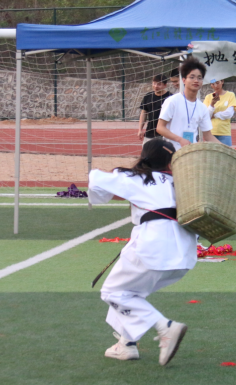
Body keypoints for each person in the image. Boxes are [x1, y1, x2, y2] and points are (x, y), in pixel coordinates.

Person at [88, 138, 195, 366]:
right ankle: (126, 344)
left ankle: (165, 327)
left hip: (153, 246)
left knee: (113, 292)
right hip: (185, 253)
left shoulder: (137, 177)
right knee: (131, 294)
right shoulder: (183, 182)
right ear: (172, 162)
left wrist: (115, 181)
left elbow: (95, 180)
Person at [157, 57, 220, 151]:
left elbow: (208, 135)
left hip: (191, 154)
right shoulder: (172, 101)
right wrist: (180, 140)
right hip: (171, 152)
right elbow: (160, 127)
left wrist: (228, 148)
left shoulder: (202, 107)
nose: (196, 80)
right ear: (184, 80)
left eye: (199, 78)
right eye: (192, 77)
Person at [138, 74, 172, 144]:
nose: (156, 86)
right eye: (154, 83)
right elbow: (143, 113)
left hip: (165, 134)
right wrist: (140, 129)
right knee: (147, 150)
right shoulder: (148, 96)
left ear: (165, 85)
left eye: (159, 84)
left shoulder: (170, 97)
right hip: (149, 133)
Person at [203, 79, 236, 146]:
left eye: (217, 83)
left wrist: (215, 115)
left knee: (225, 151)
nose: (215, 86)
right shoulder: (208, 97)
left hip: (224, 132)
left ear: (222, 82)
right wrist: (212, 104)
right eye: (213, 84)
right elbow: (206, 115)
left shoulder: (230, 95)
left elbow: (229, 114)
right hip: (210, 132)